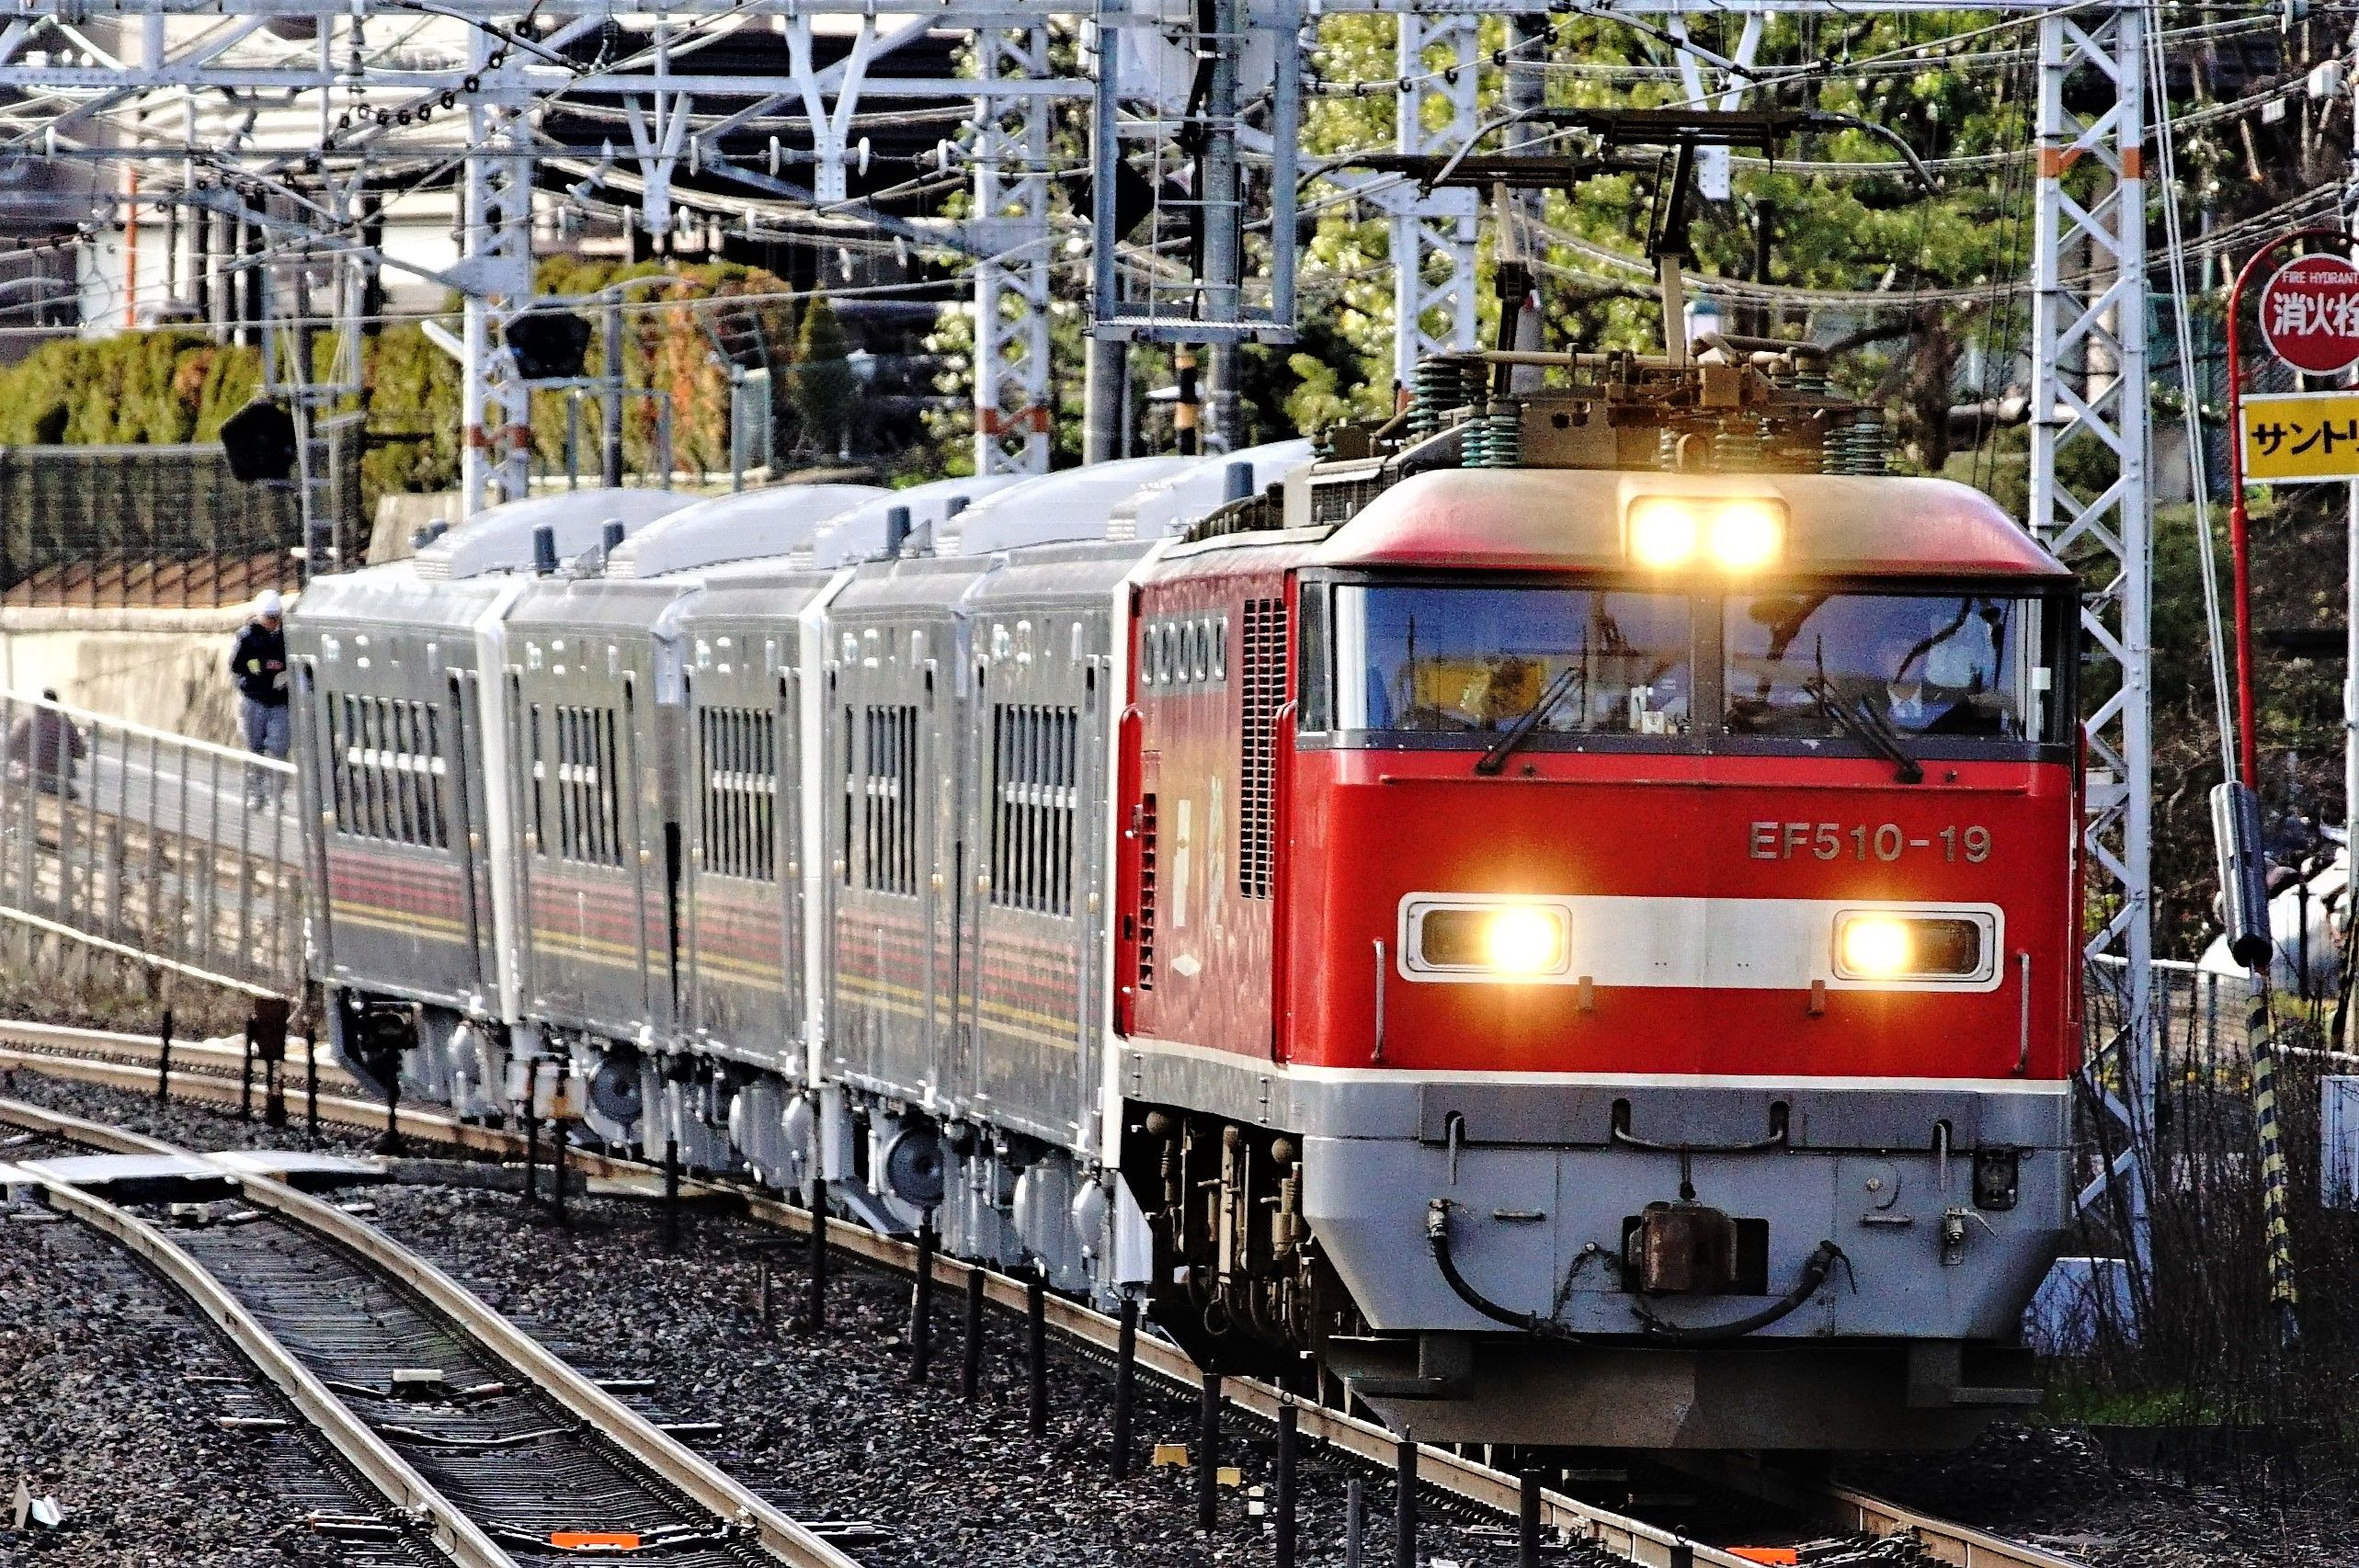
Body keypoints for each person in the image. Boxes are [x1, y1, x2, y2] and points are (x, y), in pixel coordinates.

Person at [231, 589, 291, 806]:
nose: (273, 622)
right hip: (253, 700)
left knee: (279, 748)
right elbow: (235, 665)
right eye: (269, 618)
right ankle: (256, 793)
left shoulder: (286, 637)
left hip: (279, 701)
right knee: (254, 748)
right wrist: (253, 672)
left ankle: (277, 795)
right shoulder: (246, 637)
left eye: (276, 617)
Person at [5, 688, 85, 799]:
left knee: (8, 786)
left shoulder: (25, 723)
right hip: (58, 783)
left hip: (28, 778)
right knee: (74, 797)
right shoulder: (66, 725)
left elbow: (9, 750)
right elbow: (80, 753)